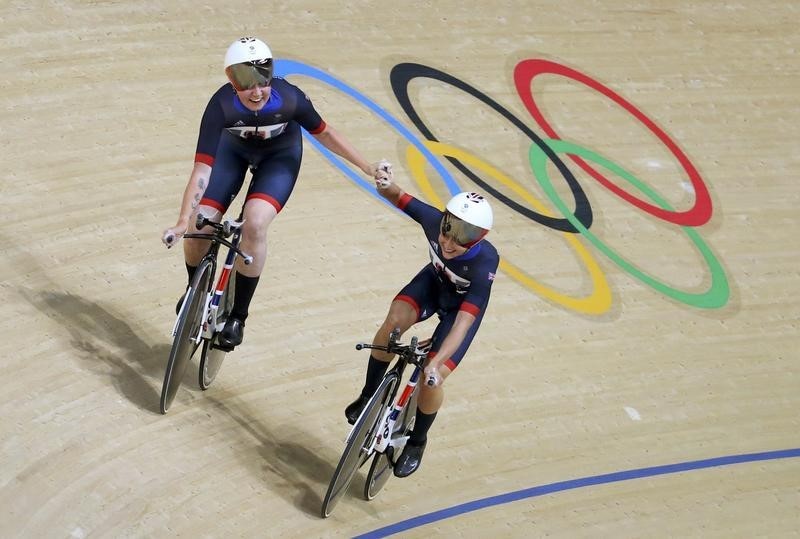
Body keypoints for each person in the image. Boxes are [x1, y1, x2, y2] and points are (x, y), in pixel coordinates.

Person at [162, 37, 383, 349]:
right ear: (230, 80)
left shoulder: (290, 99)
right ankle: (193, 288)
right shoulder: (220, 106)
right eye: (246, 83)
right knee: (201, 223)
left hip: (279, 157)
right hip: (233, 153)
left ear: (271, 75)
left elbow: (327, 133)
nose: (256, 92)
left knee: (254, 223)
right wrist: (183, 221)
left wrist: (366, 166)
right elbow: (201, 171)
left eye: (262, 81)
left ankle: (238, 316)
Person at [345, 162, 499, 478]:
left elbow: (463, 325)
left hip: (459, 311)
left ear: (479, 239)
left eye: (463, 236)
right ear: (442, 220)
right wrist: (384, 181)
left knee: (434, 376)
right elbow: (397, 195)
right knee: (393, 323)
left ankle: (417, 441)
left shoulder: (485, 263)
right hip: (432, 285)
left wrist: (434, 363)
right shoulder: (432, 221)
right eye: (448, 228)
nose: (449, 241)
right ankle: (367, 394)